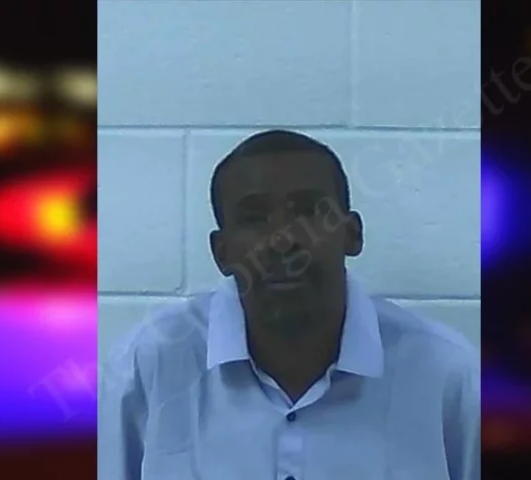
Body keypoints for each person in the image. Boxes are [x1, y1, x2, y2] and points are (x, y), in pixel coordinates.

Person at [98, 129, 479, 480]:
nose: (282, 239)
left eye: (309, 211)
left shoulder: (448, 376)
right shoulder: (148, 367)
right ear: (221, 252)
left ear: (352, 234)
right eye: (254, 218)